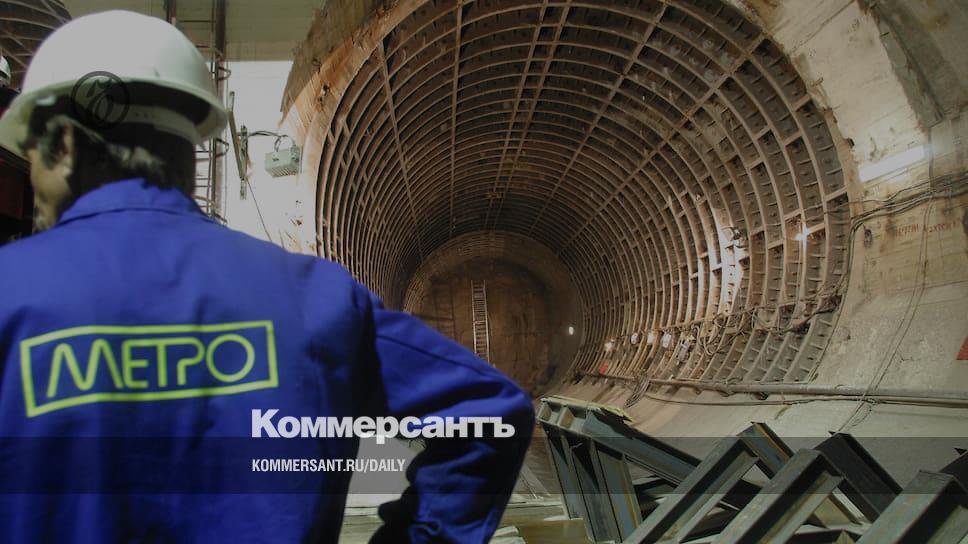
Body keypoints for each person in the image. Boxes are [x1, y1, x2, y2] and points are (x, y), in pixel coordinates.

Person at [0, 10, 533, 543]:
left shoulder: (11, 292)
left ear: (63, 145)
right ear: (192, 146)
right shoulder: (313, 299)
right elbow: (490, 414)